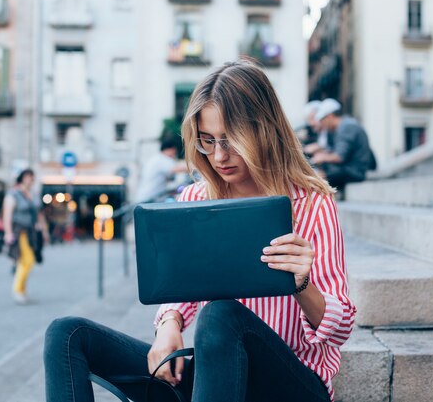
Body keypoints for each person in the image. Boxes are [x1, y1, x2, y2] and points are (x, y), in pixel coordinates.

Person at [44, 59, 356, 402]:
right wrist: (169, 325)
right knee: (67, 335)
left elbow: (340, 330)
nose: (219, 156)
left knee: (221, 315)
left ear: (263, 131)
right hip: (219, 377)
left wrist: (302, 283)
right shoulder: (196, 197)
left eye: (230, 140)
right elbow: (182, 290)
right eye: (207, 141)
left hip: (291, 385)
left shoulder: (312, 204)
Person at [2, 169, 49, 305]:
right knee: (26, 260)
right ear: (22, 178)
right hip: (19, 230)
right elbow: (7, 214)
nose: (31, 179)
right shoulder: (13, 194)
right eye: (28, 177)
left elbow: (39, 214)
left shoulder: (33, 194)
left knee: (29, 260)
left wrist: (44, 231)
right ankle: (17, 290)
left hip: (32, 231)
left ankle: (22, 290)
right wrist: (8, 232)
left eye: (32, 177)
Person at [309, 98, 374, 192]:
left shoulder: (346, 127)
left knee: (321, 173)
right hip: (351, 168)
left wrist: (321, 157)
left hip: (355, 171)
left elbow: (339, 157)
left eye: (322, 120)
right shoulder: (344, 125)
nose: (321, 123)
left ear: (329, 116)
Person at [135, 138, 189, 203]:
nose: (174, 154)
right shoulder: (162, 159)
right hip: (149, 199)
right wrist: (196, 165)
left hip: (147, 197)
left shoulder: (156, 158)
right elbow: (177, 168)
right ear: (171, 149)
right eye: (174, 152)